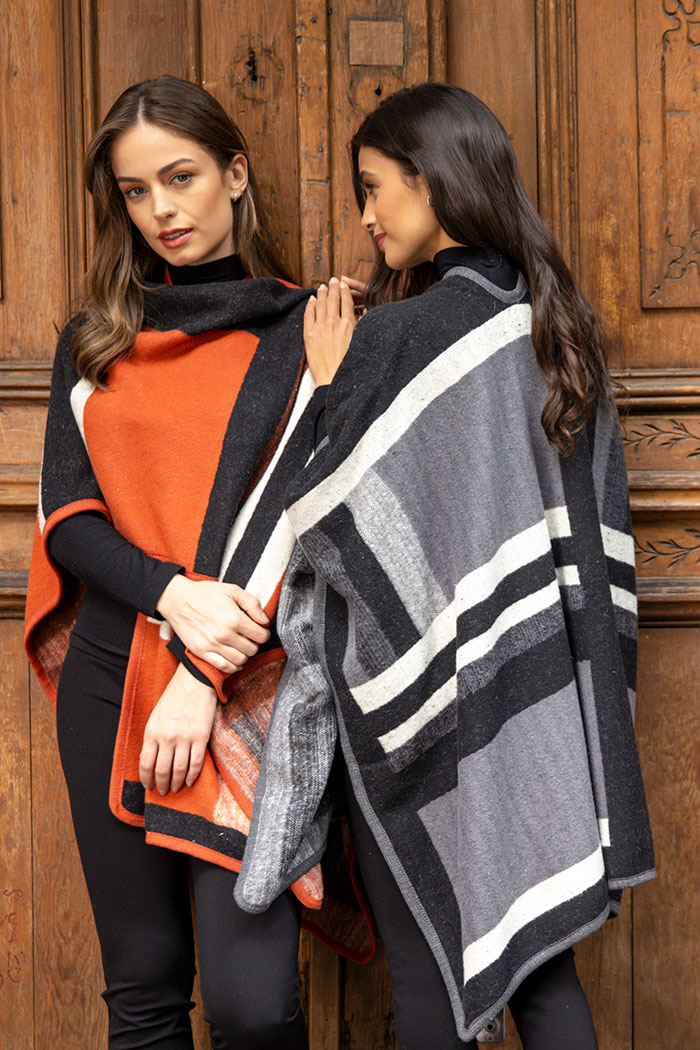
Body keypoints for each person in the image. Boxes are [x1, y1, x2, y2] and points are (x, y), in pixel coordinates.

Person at [235, 83, 656, 1049]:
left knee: (428, 981)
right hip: (547, 698)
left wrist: (333, 387)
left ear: (430, 183)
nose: (367, 216)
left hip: (423, 700)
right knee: (547, 979)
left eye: (374, 188)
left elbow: (324, 525)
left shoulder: (396, 338)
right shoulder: (559, 327)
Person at [23, 74, 373, 1050]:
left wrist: (201, 669)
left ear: (236, 173)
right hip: (112, 669)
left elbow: (311, 519)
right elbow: (69, 521)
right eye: (136, 191)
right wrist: (172, 596)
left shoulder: (306, 332)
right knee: (142, 990)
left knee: (252, 1006)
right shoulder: (98, 339)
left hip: (254, 681)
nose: (161, 211)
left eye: (180, 178)